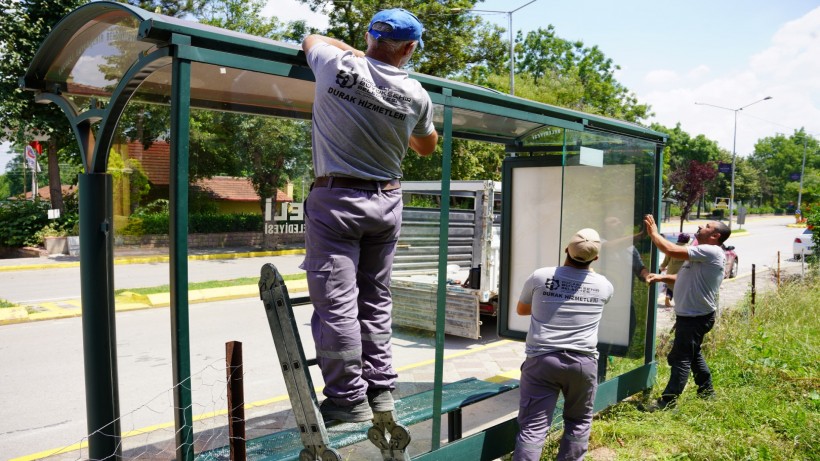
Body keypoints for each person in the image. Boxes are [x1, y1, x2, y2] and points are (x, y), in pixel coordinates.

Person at [300, 8, 439, 423]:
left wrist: (352, 51)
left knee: (338, 304)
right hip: (386, 202)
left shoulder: (335, 63)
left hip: (337, 201)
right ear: (410, 48)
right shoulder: (416, 93)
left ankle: (347, 398)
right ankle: (380, 390)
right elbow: (427, 147)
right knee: (375, 299)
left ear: (368, 36)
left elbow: (311, 38)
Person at [513, 229, 614, 461]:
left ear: (566, 250)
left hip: (542, 360)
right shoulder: (604, 285)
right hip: (583, 363)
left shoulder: (541, 276)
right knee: (578, 421)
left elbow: (522, 310)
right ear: (595, 259)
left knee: (533, 427)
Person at [643, 215, 730, 410]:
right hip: (692, 316)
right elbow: (684, 278)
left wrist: (654, 234)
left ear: (715, 235)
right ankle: (706, 391)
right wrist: (661, 277)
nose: (700, 226)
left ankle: (668, 401)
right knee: (693, 353)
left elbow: (670, 249)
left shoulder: (711, 251)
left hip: (695, 318)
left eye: (706, 226)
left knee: (681, 358)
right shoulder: (703, 254)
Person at [659, 233, 691, 307]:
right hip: (683, 268)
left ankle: (668, 297)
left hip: (671, 268)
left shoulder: (673, 247)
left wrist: (662, 266)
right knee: (682, 285)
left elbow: (666, 259)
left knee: (670, 285)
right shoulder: (689, 248)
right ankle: (681, 301)